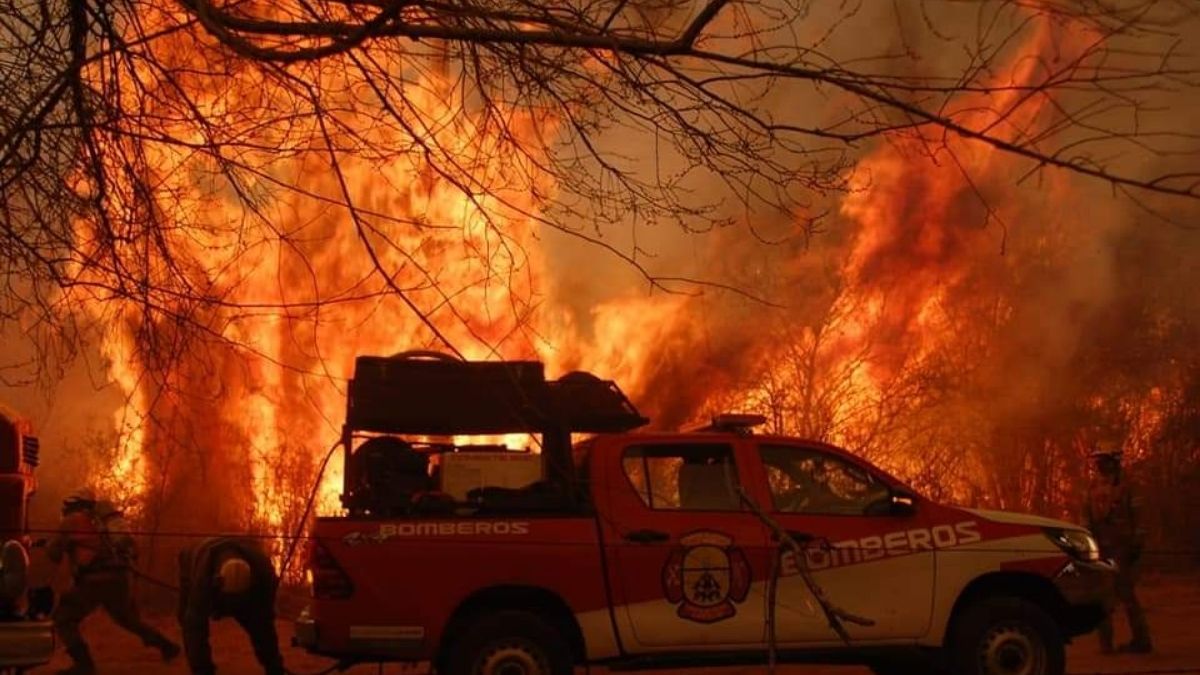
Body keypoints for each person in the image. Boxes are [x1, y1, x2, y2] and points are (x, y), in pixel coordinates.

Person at [45, 487, 181, 674]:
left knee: (63, 618)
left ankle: (84, 665)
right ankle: (167, 647)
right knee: (128, 620)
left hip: (94, 581)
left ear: (72, 505)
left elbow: (53, 554)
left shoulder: (71, 521)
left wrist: (52, 543)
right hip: (119, 578)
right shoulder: (103, 521)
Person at [177, 536, 284, 675]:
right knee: (187, 621)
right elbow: (195, 626)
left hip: (248, 594)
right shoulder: (203, 577)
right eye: (231, 598)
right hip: (195, 564)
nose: (234, 604)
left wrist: (274, 665)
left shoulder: (263, 570)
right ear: (218, 583)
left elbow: (265, 622)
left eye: (238, 598)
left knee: (262, 627)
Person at [1085, 444, 1153, 654]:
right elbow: (1086, 517)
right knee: (1101, 596)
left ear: (1113, 462)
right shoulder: (1092, 488)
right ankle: (1105, 645)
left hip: (1122, 548)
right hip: (1100, 548)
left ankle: (1142, 642)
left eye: (1103, 461)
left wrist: (1137, 543)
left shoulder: (1128, 486)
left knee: (1126, 595)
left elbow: (1140, 517)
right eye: (1097, 461)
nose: (1098, 465)